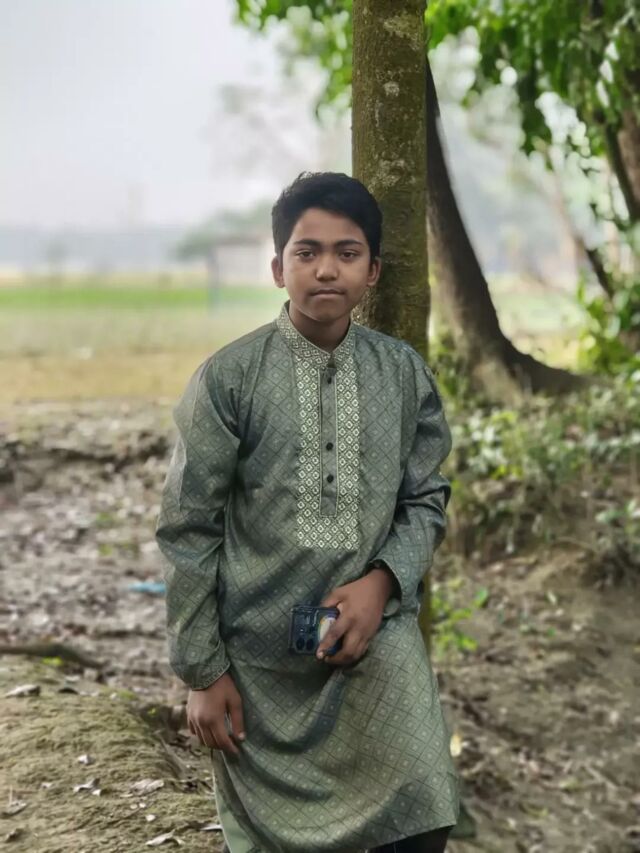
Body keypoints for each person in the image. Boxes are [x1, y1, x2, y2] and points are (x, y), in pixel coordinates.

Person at [156, 172, 460, 853]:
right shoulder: (229, 379)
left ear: (373, 270)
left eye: (348, 253)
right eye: (307, 251)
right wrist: (202, 671)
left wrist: (382, 584)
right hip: (256, 659)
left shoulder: (403, 374)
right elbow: (188, 528)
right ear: (277, 268)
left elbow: (425, 499)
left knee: (423, 808)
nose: (327, 269)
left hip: (372, 640)